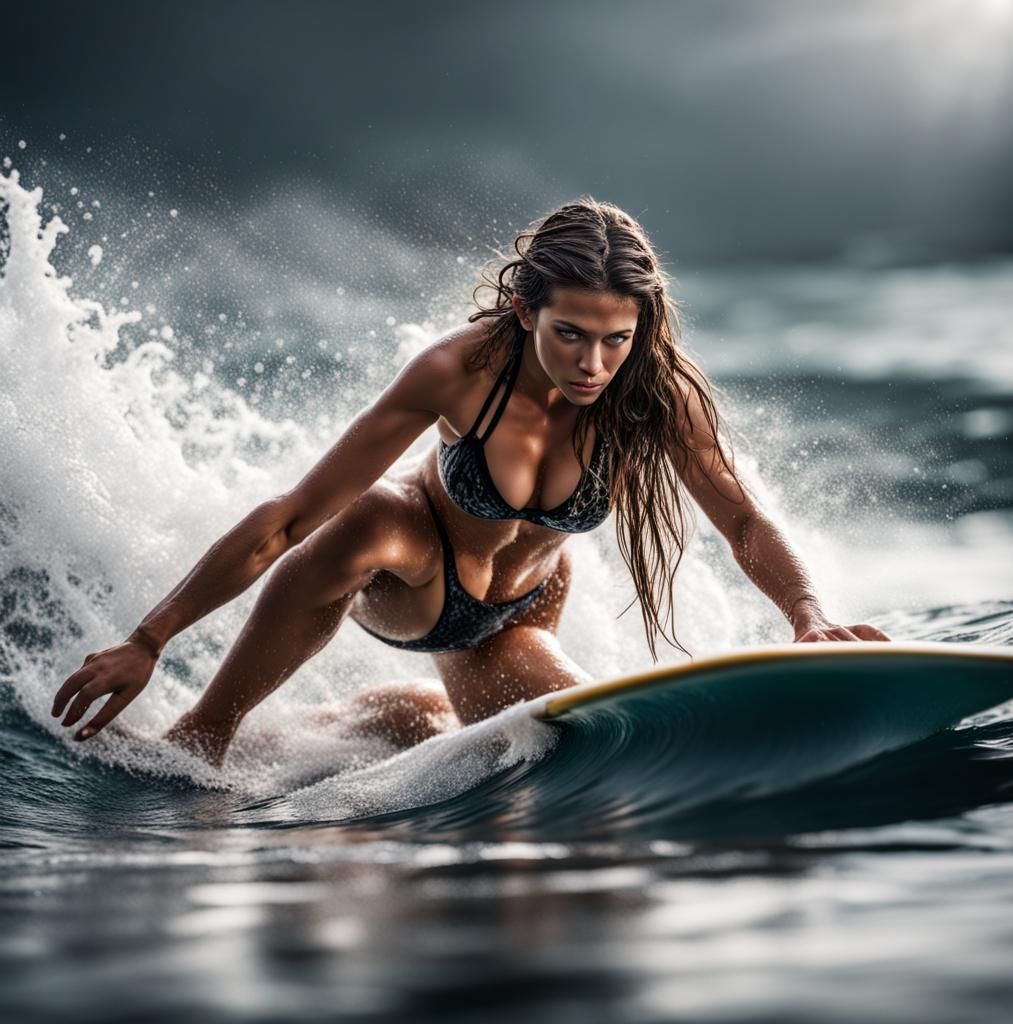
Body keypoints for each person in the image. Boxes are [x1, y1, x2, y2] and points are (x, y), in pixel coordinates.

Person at [51, 197, 890, 767]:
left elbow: (743, 520)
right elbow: (288, 521)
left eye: (616, 339)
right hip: (413, 578)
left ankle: (364, 721)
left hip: (515, 609)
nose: (594, 364)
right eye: (570, 334)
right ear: (526, 310)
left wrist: (807, 616)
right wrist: (150, 638)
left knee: (572, 740)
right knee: (370, 517)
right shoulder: (458, 372)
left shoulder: (656, 389)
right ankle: (209, 729)